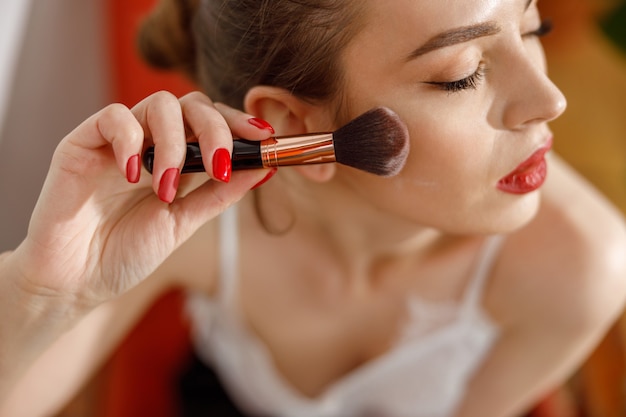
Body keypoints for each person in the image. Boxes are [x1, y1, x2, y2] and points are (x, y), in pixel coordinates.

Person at [1, 0, 626, 416]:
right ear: (295, 124)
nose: (549, 100)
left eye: (532, 28)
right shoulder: (193, 218)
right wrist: (47, 287)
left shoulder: (582, 266)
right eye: (463, 74)